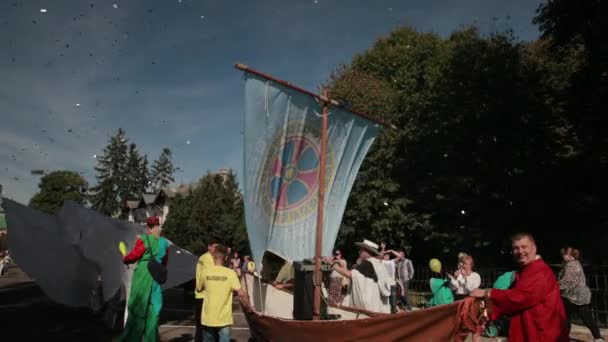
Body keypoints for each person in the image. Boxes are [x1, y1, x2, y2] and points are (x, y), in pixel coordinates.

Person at [470, 232, 569, 342]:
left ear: (534, 248)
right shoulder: (526, 270)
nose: (520, 251)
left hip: (542, 334)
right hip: (530, 331)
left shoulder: (540, 271)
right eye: (516, 248)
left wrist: (487, 293)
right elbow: (511, 298)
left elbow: (520, 297)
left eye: (524, 247)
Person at [118, 216, 169, 342]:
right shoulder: (164, 242)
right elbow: (165, 263)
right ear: (158, 226)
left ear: (147, 227)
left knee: (137, 307)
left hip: (143, 274)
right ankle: (151, 339)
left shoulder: (144, 239)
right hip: (156, 276)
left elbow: (133, 256)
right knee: (154, 308)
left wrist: (124, 256)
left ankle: (132, 338)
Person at [197, 244, 247, 342]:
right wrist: (250, 307)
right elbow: (241, 293)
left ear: (213, 256)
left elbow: (199, 289)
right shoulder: (231, 273)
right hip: (224, 319)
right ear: (226, 257)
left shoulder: (206, 272)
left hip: (208, 317)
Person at [324, 239, 391, 313]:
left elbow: (349, 274)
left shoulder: (367, 263)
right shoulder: (376, 263)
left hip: (367, 304)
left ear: (367, 251)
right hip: (373, 302)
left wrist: (332, 264)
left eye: (361, 250)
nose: (359, 252)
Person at [559, 247, 604, 341]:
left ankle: (564, 337)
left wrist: (554, 287)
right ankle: (598, 337)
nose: (562, 256)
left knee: (568, 317)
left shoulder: (571, 265)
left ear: (569, 255)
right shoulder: (576, 263)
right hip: (578, 296)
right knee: (582, 317)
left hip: (574, 297)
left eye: (564, 254)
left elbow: (566, 282)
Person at [195, 239, 219, 342]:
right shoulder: (208, 258)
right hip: (205, 295)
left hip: (201, 295)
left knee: (200, 324)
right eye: (215, 247)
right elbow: (213, 275)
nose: (217, 249)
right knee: (206, 325)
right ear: (209, 247)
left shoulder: (203, 257)